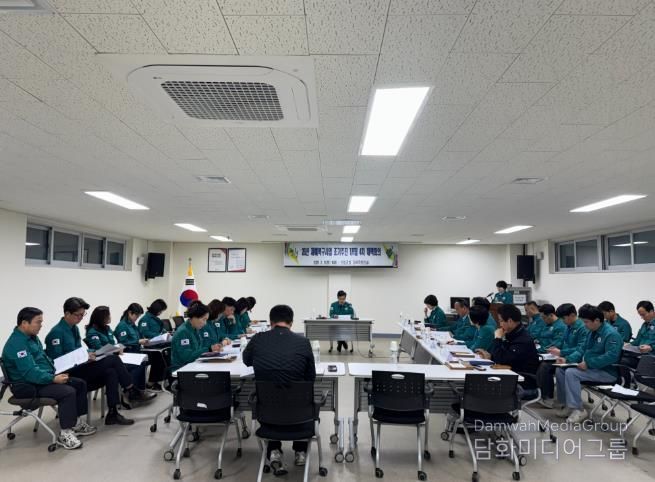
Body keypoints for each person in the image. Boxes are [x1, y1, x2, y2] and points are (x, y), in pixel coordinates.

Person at [2, 307, 97, 450]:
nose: (41, 325)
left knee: (79, 383)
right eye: (38, 322)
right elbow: (30, 373)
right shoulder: (17, 344)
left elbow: (42, 360)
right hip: (26, 386)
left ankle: (76, 423)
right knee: (67, 392)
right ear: (24, 323)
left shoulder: (32, 338)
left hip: (40, 379)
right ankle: (65, 434)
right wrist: (53, 379)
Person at [243, 304, 315, 475]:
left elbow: (246, 360)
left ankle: (274, 451)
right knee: (300, 398)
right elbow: (310, 377)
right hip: (298, 413)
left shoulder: (258, 339)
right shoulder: (303, 342)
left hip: (267, 413)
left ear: (271, 322)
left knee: (273, 400)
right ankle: (300, 451)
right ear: (291, 322)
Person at [45, 297, 135, 425]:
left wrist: (89, 353)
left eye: (83, 314)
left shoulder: (74, 328)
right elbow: (57, 362)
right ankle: (131, 389)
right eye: (78, 315)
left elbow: (78, 349)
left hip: (79, 367)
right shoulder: (56, 333)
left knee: (111, 372)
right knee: (113, 359)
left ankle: (113, 413)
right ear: (67, 313)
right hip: (69, 374)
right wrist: (82, 358)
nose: (81, 318)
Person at [555, 304, 622, 423]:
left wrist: (589, 364)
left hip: (607, 372)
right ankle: (568, 405)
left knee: (571, 373)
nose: (584, 325)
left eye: (586, 322)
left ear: (597, 320)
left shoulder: (611, 334)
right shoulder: (592, 331)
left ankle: (578, 409)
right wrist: (568, 359)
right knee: (561, 370)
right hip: (593, 369)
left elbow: (611, 357)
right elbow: (582, 349)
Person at [84, 306, 155, 403]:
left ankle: (138, 391)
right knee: (136, 365)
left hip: (115, 357)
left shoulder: (107, 328)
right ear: (100, 318)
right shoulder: (92, 332)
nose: (110, 317)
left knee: (141, 361)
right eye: (107, 316)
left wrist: (118, 347)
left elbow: (114, 342)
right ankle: (132, 392)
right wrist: (114, 350)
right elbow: (98, 349)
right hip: (103, 361)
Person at [536, 303, 587, 408]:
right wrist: (555, 349)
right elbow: (562, 343)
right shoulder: (569, 326)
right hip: (565, 355)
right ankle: (557, 399)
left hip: (575, 358)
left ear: (572, 315)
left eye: (564, 318)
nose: (562, 321)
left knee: (546, 367)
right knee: (542, 362)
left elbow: (580, 349)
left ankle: (549, 398)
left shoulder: (582, 328)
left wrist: (562, 353)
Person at [115, 302, 170, 391]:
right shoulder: (122, 326)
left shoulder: (133, 325)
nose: (137, 318)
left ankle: (141, 389)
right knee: (142, 362)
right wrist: (138, 341)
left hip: (136, 351)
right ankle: (135, 390)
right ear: (130, 313)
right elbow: (122, 342)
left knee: (156, 357)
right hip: (127, 353)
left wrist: (145, 341)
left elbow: (141, 336)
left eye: (138, 316)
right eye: (136, 315)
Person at [476, 304, 539, 378]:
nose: (500, 324)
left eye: (501, 321)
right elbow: (502, 356)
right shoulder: (512, 334)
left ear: (510, 321)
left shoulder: (523, 340)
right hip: (510, 374)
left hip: (522, 380)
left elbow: (501, 360)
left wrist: (497, 339)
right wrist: (490, 356)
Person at [170, 301, 222, 373]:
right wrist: (209, 349)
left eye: (206, 320)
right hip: (182, 370)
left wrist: (211, 349)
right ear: (194, 317)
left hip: (194, 366)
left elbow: (198, 350)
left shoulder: (195, 329)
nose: (205, 323)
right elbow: (187, 357)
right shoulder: (183, 332)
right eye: (203, 319)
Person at [618, 300, 655, 384]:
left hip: (651, 358)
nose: (642, 317)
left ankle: (629, 384)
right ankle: (626, 384)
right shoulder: (645, 324)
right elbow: (638, 341)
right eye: (640, 315)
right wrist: (628, 345)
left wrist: (651, 347)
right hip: (640, 355)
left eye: (643, 315)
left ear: (651, 311)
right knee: (619, 357)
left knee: (623, 361)